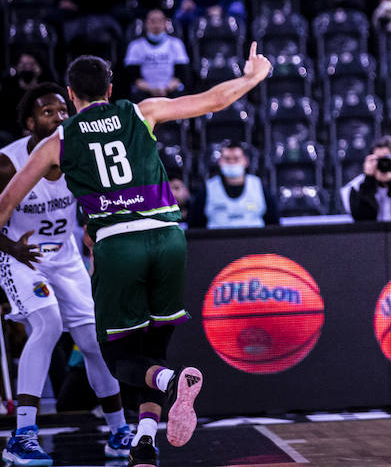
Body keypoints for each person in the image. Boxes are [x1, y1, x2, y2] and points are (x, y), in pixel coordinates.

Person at [0, 47, 272, 467]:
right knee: (153, 346)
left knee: (118, 356)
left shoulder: (59, 142)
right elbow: (214, 100)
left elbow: (3, 206)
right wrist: (252, 76)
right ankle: (144, 443)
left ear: (71, 96)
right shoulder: (142, 111)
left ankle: (168, 381)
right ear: (111, 89)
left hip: (119, 246)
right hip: (168, 237)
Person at [0, 84, 135, 465]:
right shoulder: (8, 163)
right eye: (48, 112)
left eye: (63, 110)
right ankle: (22, 435)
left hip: (66, 257)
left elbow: (97, 203)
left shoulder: (80, 155)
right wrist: (11, 248)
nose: (60, 117)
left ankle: (119, 431)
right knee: (47, 323)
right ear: (30, 123)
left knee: (93, 342)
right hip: (19, 256)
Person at [190, 142, 278, 229]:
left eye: (236, 158)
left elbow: (273, 221)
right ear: (220, 162)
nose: (231, 162)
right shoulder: (207, 189)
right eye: (227, 159)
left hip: (254, 240)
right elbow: (195, 224)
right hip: (218, 241)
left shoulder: (259, 187)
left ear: (245, 161)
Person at [125, 9, 190, 100]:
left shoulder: (176, 44)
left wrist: (166, 89)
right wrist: (152, 90)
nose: (156, 25)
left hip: (170, 92)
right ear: (146, 23)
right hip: (145, 92)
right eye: (152, 21)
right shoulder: (135, 46)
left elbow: (182, 74)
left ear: (165, 23)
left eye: (160, 21)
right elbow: (133, 76)